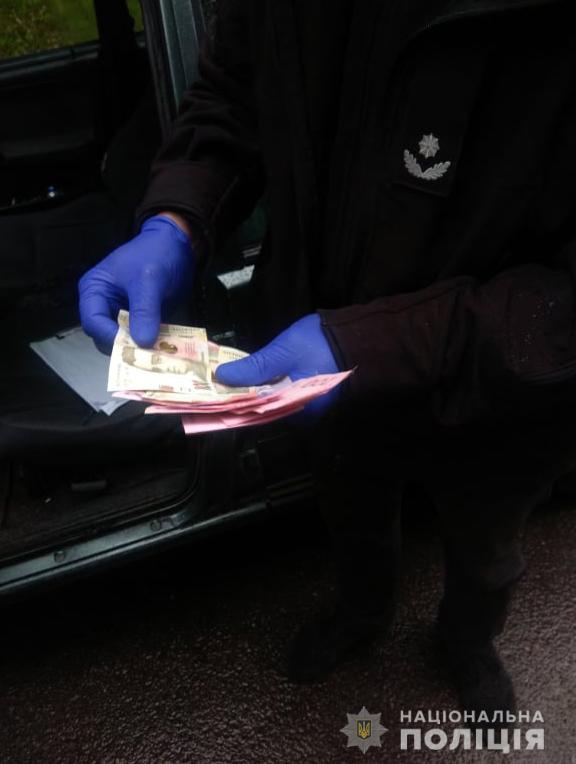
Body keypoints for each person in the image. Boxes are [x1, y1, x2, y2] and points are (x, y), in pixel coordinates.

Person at [79, 0, 576, 718]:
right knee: (351, 512)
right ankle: (361, 613)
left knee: (487, 547)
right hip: (317, 358)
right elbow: (235, 90)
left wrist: (372, 344)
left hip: (501, 389)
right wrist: (179, 216)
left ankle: (467, 641)